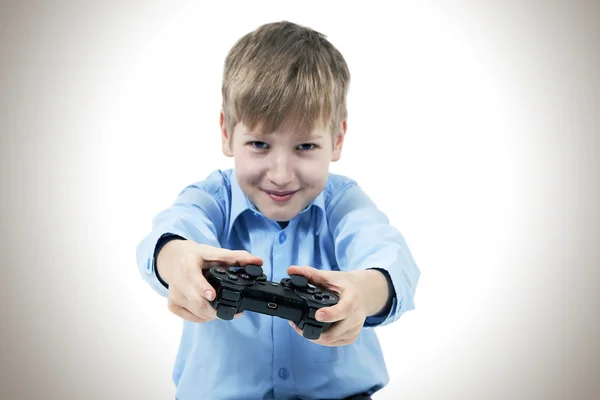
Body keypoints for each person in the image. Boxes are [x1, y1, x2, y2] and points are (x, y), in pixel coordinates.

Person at [136, 21, 420, 400]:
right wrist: (176, 260)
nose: (281, 175)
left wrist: (362, 293)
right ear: (226, 133)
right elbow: (172, 231)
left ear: (337, 140)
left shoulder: (343, 203)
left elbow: (391, 257)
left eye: (305, 147)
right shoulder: (213, 197)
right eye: (259, 144)